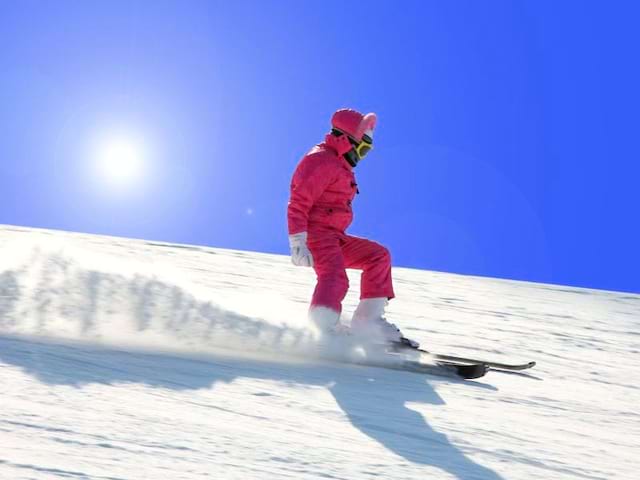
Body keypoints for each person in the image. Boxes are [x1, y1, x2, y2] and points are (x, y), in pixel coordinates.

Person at [287, 108, 418, 347]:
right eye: (363, 148)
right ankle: (322, 328)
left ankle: (368, 322)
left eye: (368, 150)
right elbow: (298, 202)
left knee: (378, 256)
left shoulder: (338, 164)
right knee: (335, 278)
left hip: (334, 237)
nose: (363, 155)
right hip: (316, 235)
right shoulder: (320, 161)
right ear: (346, 140)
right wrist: (298, 241)